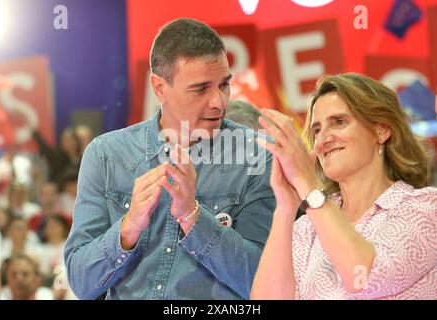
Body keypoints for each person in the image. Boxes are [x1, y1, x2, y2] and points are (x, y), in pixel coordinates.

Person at [64, 18, 275, 300]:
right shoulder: (106, 155)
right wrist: (127, 229)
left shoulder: (258, 154)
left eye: (224, 85)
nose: (220, 102)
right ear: (160, 88)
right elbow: (81, 282)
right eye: (201, 89)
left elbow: (264, 283)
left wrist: (193, 217)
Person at [251, 73, 436, 300]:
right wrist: (285, 208)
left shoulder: (426, 207)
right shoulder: (306, 227)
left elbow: (365, 279)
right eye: (316, 130)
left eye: (339, 122)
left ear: (381, 130)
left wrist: (308, 186)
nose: (322, 140)